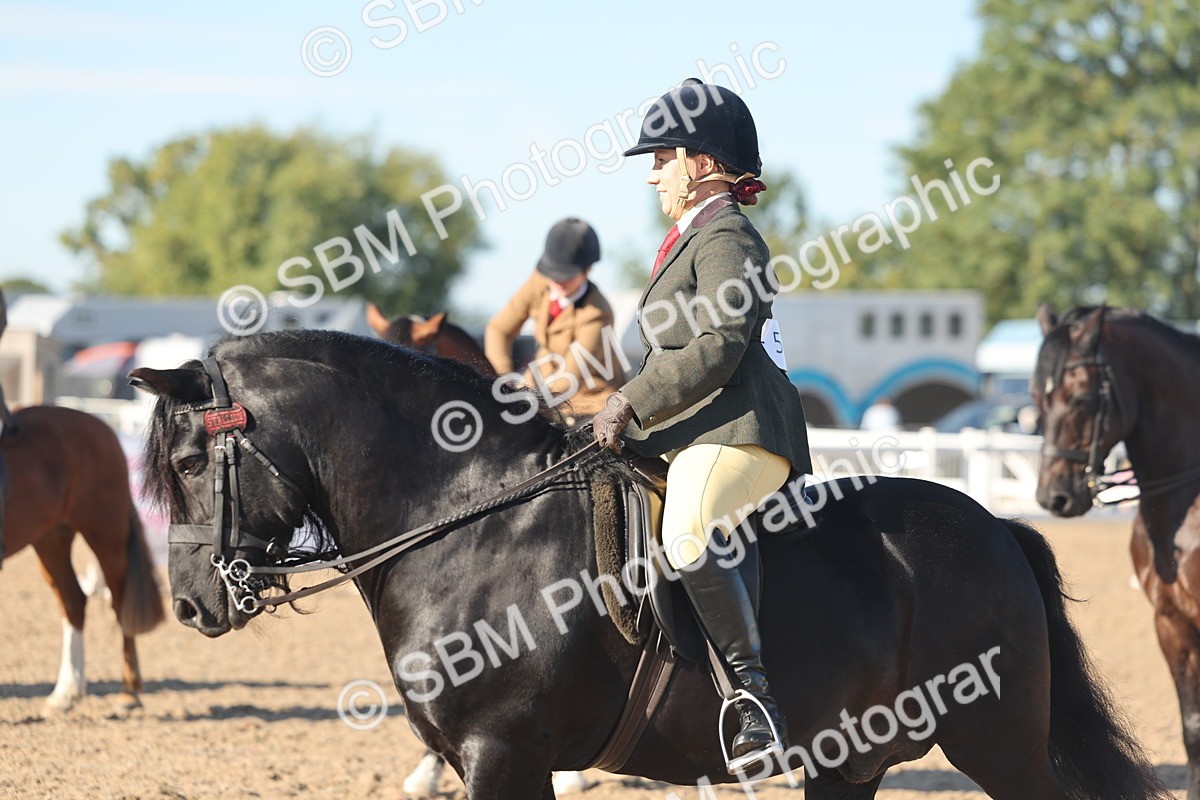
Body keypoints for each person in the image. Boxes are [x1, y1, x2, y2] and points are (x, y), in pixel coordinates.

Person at [591, 80, 812, 769]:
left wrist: (631, 399)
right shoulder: (688, 240)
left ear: (704, 163)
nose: (654, 171)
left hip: (740, 430)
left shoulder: (729, 239)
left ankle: (754, 699)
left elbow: (718, 345)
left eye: (663, 157)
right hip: (690, 428)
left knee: (687, 535)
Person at [485, 218, 626, 425]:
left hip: (585, 403)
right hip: (540, 393)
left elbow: (567, 378)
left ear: (587, 270)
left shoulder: (598, 313)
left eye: (567, 276)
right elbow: (498, 329)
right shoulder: (540, 281)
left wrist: (523, 396)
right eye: (553, 273)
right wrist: (504, 381)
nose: (558, 281)